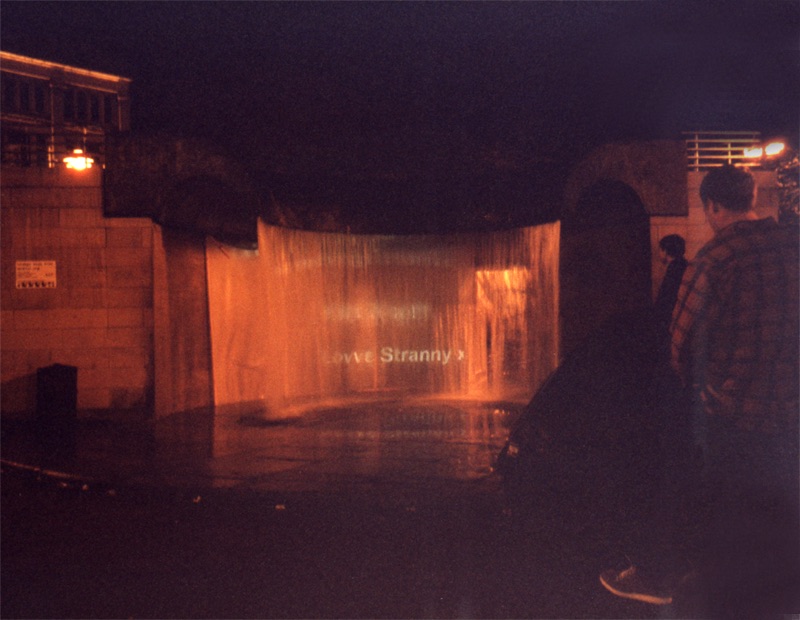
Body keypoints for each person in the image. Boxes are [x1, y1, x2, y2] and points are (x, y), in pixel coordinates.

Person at [599, 164, 800, 616]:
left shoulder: (714, 260)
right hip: (790, 412)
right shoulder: (793, 246)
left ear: (711, 206)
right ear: (750, 198)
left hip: (731, 411)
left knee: (685, 473)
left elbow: (682, 343)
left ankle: (661, 573)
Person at [653, 234, 687, 333]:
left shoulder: (674, 269)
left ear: (665, 251)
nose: (658, 253)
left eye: (660, 249)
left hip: (670, 321)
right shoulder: (683, 265)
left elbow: (666, 298)